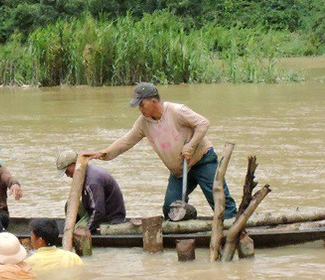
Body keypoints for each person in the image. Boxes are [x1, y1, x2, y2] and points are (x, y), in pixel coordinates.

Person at [87, 82, 237, 220]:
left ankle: (234, 228)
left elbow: (203, 124)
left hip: (202, 161)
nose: (140, 109)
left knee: (219, 200)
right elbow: (126, 141)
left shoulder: (176, 111)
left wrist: (191, 145)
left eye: (141, 105)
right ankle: (186, 228)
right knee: (169, 208)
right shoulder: (143, 122)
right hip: (179, 170)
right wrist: (104, 153)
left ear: (153, 101)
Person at [55, 150, 126, 233]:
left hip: (110, 219)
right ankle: (78, 225)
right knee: (69, 205)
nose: (67, 175)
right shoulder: (85, 172)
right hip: (97, 211)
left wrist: (86, 230)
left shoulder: (92, 182)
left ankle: (83, 229)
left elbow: (98, 211)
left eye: (67, 171)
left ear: (73, 165)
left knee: (76, 231)